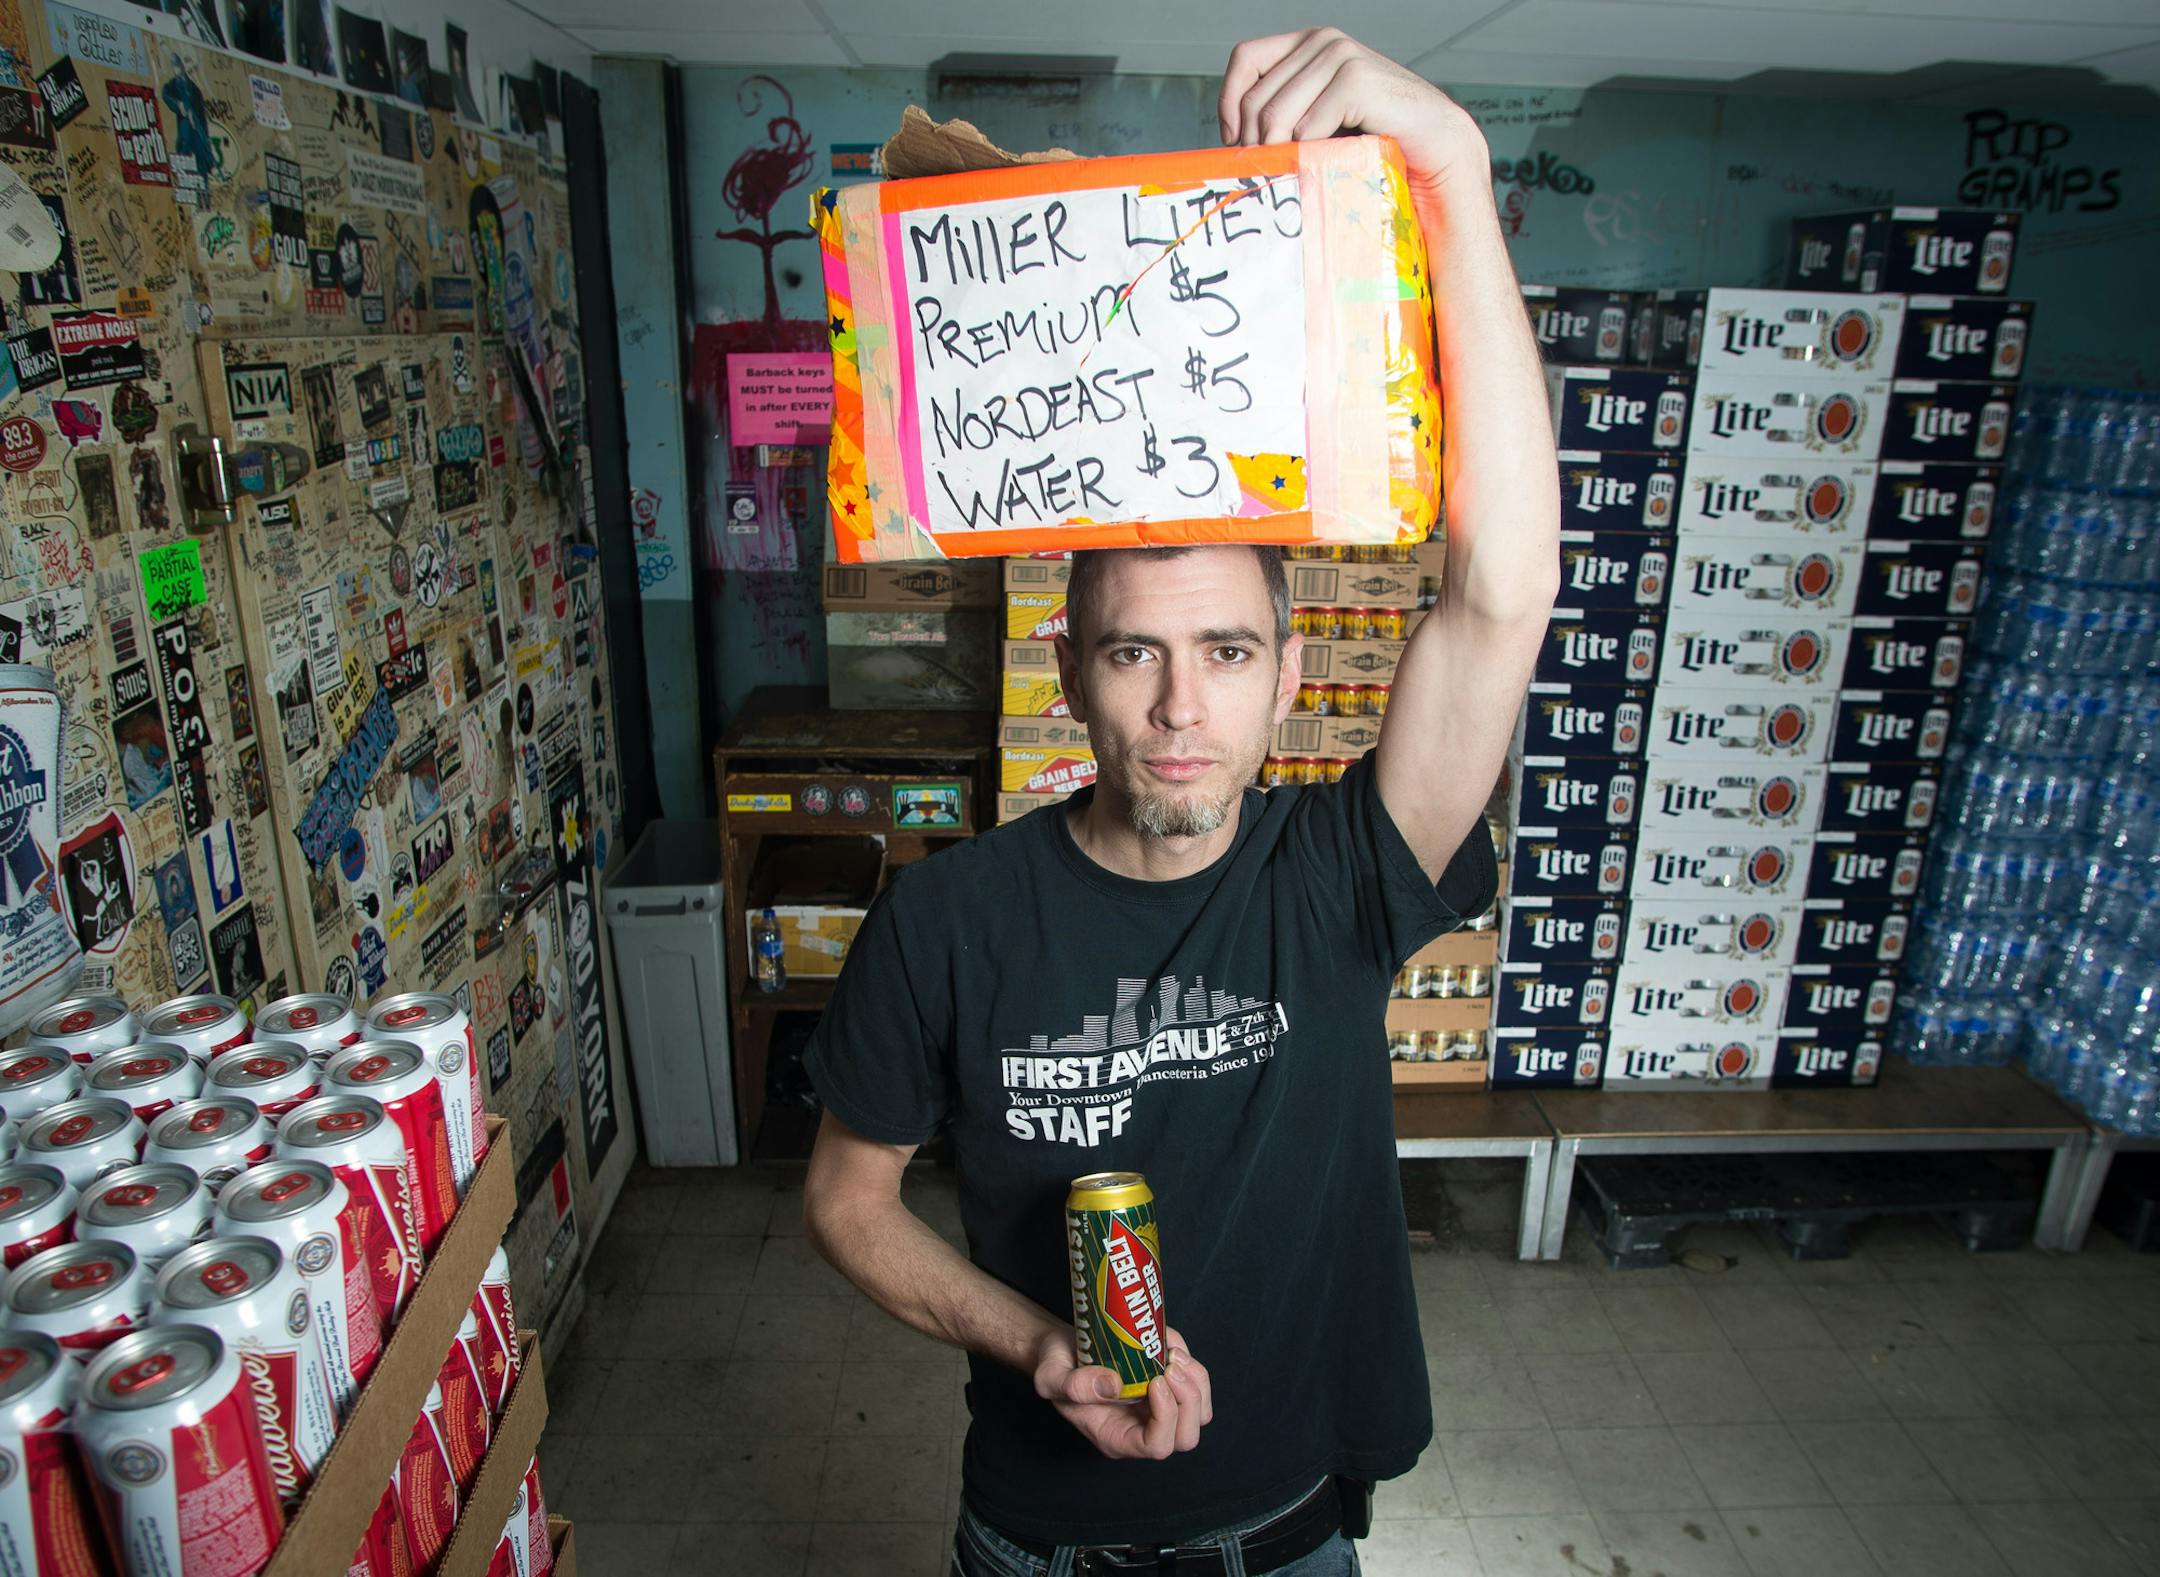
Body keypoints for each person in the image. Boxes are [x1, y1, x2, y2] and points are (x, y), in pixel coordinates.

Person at [802, 27, 1558, 1576]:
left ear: (1288, 677)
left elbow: (1503, 594)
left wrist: (1453, 167)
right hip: (1033, 1534)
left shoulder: (1341, 870)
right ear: (1073, 674)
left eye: (1226, 651)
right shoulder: (948, 919)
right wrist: (1032, 1344)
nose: (1180, 707)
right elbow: (846, 1199)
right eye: (1133, 652)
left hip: (1286, 1529)